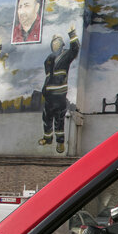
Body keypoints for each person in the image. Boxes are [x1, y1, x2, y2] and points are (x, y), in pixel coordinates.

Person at [39, 26, 79, 154]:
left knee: (59, 119)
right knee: (46, 117)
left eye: (57, 42)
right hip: (49, 95)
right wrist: (44, 90)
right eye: (53, 43)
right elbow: (48, 77)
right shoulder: (49, 59)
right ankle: (47, 138)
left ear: (62, 44)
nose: (55, 44)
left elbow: (75, 49)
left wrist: (72, 34)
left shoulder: (66, 55)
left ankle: (60, 143)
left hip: (60, 95)